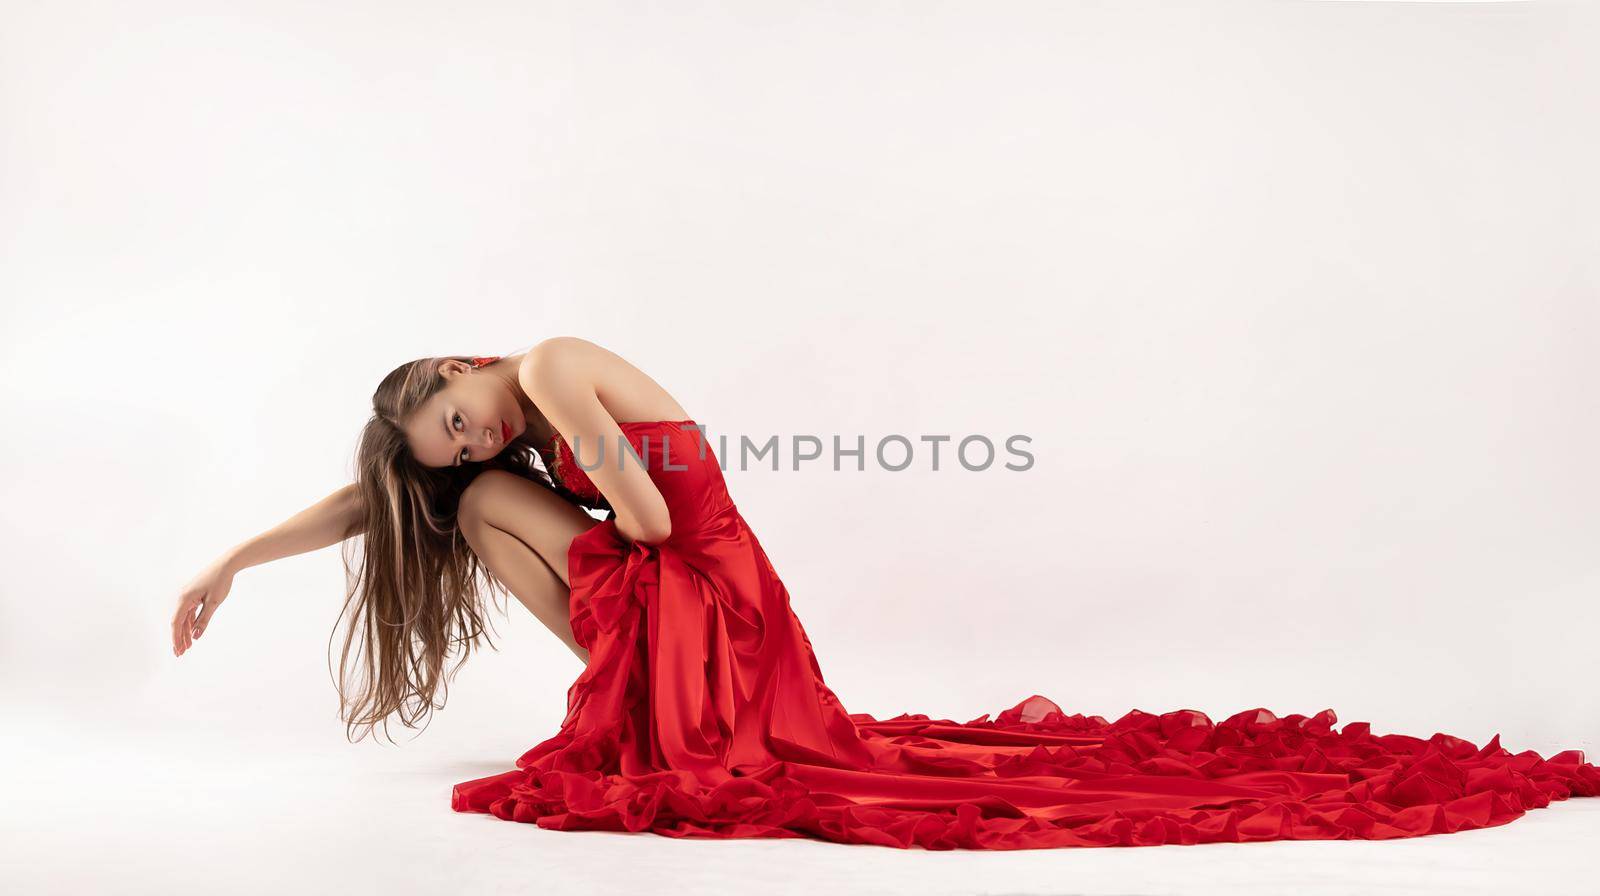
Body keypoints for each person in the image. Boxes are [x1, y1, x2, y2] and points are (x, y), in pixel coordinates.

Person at [172, 336, 1600, 850]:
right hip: (706, 596)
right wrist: (234, 559)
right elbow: (380, 499)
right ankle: (635, 720)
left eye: (462, 422)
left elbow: (658, 515)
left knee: (476, 518)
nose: (479, 444)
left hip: (708, 587)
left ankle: (637, 726)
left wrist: (561, 467)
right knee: (447, 518)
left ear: (459, 368)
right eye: (461, 446)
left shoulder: (546, 365)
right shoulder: (506, 425)